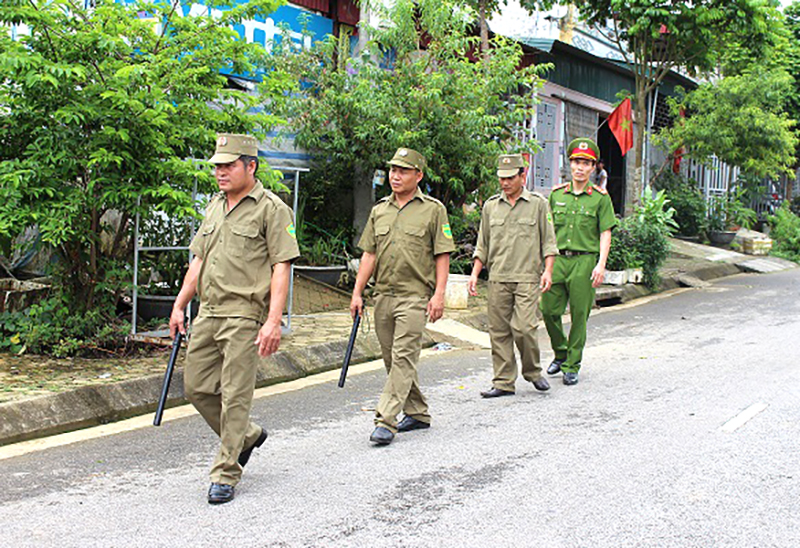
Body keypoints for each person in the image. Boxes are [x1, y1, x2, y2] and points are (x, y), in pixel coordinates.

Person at [169, 133, 300, 504]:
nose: (220, 172)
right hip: (208, 312)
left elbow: (281, 266)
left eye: (228, 165)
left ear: (251, 166)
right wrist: (180, 304)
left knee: (236, 395)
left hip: (244, 314)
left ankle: (226, 470)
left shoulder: (272, 209)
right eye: (217, 167)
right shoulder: (214, 206)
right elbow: (198, 261)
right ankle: (246, 436)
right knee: (196, 388)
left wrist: (273, 321)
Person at [350, 147, 454, 446]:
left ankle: (385, 420)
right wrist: (357, 292)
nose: (395, 176)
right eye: (393, 170)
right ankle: (418, 412)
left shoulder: (433, 210)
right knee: (392, 359)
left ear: (418, 175)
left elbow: (442, 254)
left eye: (403, 171)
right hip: (383, 295)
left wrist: (439, 294)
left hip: (415, 296)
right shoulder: (379, 209)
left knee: (404, 357)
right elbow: (369, 254)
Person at [468, 154, 559, 398]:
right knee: (498, 331)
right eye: (501, 178)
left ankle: (532, 372)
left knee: (524, 328)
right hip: (497, 278)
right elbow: (482, 245)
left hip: (527, 277)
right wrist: (475, 274)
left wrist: (548, 271)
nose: (505, 183)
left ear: (522, 175)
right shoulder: (490, 206)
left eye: (510, 178)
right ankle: (503, 381)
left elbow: (549, 242)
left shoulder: (538, 204)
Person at [541, 138, 616, 386]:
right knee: (549, 310)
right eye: (576, 162)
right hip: (558, 260)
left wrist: (601, 264)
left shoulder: (600, 198)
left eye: (585, 163)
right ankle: (561, 353)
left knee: (579, 315)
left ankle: (572, 365)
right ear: (570, 165)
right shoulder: (556, 195)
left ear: (593, 167)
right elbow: (547, 231)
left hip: (584, 261)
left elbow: (606, 232)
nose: (580, 168)